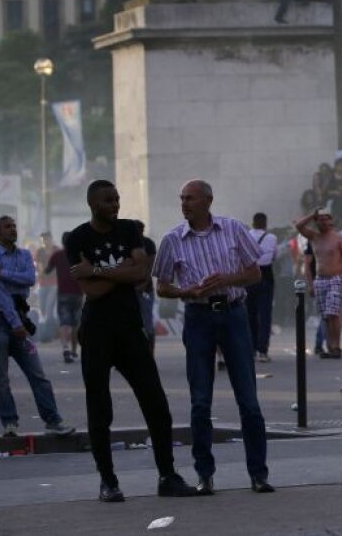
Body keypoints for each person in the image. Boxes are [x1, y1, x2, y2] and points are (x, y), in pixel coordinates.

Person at [66, 180, 196, 502]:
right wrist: (123, 270)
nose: (116, 205)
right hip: (96, 332)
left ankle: (167, 475)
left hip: (129, 328)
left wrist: (97, 268)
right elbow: (91, 291)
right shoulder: (78, 238)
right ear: (93, 204)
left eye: (118, 199)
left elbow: (141, 275)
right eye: (109, 200)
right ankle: (108, 482)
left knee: (156, 403)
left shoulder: (128, 230)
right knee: (100, 409)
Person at [153, 179, 273, 494]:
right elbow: (161, 285)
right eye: (181, 198)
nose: (184, 204)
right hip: (198, 317)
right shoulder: (172, 239)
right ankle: (204, 474)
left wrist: (228, 278)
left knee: (248, 399)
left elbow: (255, 273)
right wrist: (185, 291)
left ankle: (258, 474)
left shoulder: (233, 228)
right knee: (200, 400)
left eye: (190, 198)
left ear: (208, 200)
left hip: (233, 313)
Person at [0, 216, 75, 438]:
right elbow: (1, 296)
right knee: (1, 377)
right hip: (0, 322)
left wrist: (4, 274)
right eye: (7, 227)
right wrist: (15, 323)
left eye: (14, 226)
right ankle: (9, 423)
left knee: (38, 374)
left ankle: (53, 420)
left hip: (20, 318)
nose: (12, 230)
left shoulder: (23, 255)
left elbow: (29, 280)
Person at [294, 207, 342, 358]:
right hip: (320, 280)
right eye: (319, 220)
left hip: (336, 278)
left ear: (331, 221)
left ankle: (336, 346)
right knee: (325, 316)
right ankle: (329, 347)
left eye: (325, 219)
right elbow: (298, 226)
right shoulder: (314, 237)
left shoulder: (339, 239)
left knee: (333, 313)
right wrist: (311, 215)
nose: (322, 222)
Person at [245, 212, 278, 363]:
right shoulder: (272, 238)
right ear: (265, 223)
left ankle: (251, 348)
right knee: (265, 314)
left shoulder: (246, 235)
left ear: (253, 222)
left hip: (249, 274)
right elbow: (273, 257)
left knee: (249, 313)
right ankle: (262, 350)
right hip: (265, 275)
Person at [46, 232, 81, 364]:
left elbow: (48, 270)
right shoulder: (79, 255)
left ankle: (65, 348)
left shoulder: (57, 255)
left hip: (63, 294)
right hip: (78, 293)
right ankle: (74, 351)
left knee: (64, 322)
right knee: (75, 323)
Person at [134, 221, 159, 354]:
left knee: (147, 322)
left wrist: (144, 284)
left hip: (144, 288)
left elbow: (150, 267)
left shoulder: (148, 243)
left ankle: (150, 353)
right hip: (132, 288)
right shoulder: (129, 243)